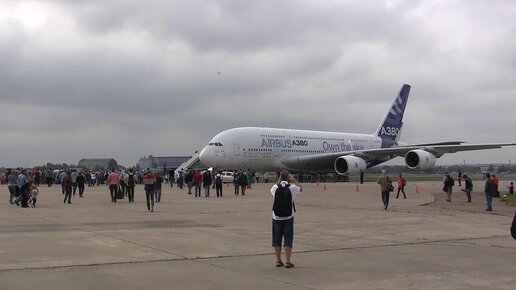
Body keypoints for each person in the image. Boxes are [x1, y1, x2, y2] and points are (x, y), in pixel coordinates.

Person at [271, 170, 302, 269]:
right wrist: (294, 180)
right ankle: (288, 261)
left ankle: (278, 260)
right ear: (288, 177)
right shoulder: (292, 187)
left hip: (276, 217)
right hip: (288, 216)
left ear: (280, 177)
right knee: (288, 238)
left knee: (277, 238)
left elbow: (273, 190)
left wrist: (279, 181)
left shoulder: (275, 188)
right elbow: (300, 189)